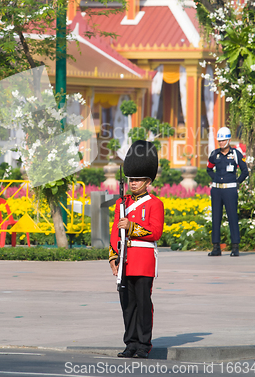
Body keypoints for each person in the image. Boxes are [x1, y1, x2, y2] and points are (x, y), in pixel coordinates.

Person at [109, 140, 164, 359]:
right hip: (125, 260)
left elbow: (155, 232)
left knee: (143, 304)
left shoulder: (154, 203)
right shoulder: (121, 203)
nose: (133, 183)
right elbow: (115, 232)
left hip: (143, 260)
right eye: (131, 179)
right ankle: (130, 343)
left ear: (148, 181)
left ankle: (143, 344)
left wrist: (131, 227)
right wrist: (113, 256)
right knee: (127, 304)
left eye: (138, 179)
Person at [207, 127, 249, 257]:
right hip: (217, 190)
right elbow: (209, 169)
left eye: (223, 140)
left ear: (229, 140)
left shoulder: (236, 154)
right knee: (216, 218)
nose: (221, 143)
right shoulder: (215, 154)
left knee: (232, 217)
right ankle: (216, 247)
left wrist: (237, 182)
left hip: (230, 190)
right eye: (219, 140)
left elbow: (245, 171)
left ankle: (235, 247)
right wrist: (215, 179)